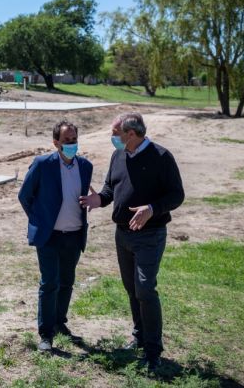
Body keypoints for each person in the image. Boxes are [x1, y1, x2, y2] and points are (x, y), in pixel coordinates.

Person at [80, 112, 184, 371]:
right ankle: (139, 336)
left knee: (145, 289)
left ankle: (153, 350)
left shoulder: (161, 157)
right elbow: (110, 190)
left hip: (150, 235)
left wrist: (152, 208)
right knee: (131, 288)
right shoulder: (119, 155)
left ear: (132, 134)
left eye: (115, 133)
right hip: (123, 234)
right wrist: (98, 200)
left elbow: (176, 195)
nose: (112, 138)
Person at [18, 121, 94, 352]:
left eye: (74, 140)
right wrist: (39, 220)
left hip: (73, 234)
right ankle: (46, 334)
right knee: (49, 282)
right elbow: (25, 196)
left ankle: (60, 323)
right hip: (49, 236)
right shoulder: (43, 164)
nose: (71, 144)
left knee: (67, 282)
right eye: (67, 140)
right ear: (56, 142)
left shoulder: (86, 166)